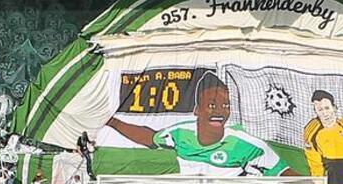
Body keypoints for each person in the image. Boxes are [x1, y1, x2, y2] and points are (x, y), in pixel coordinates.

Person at [104, 72, 288, 177]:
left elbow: (286, 172)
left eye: (225, 106)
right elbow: (150, 137)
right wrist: (113, 122)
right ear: (197, 110)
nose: (219, 111)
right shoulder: (181, 133)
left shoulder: (246, 143)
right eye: (212, 105)